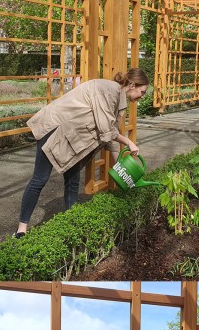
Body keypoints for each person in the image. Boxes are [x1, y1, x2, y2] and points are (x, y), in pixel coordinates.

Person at [14, 68, 149, 237]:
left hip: (71, 135)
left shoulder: (117, 97)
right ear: (132, 85)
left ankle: (71, 220)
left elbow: (111, 132)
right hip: (54, 128)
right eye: (142, 92)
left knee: (73, 178)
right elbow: (107, 131)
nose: (142, 96)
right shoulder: (106, 92)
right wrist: (129, 142)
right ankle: (21, 229)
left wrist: (121, 166)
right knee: (40, 178)